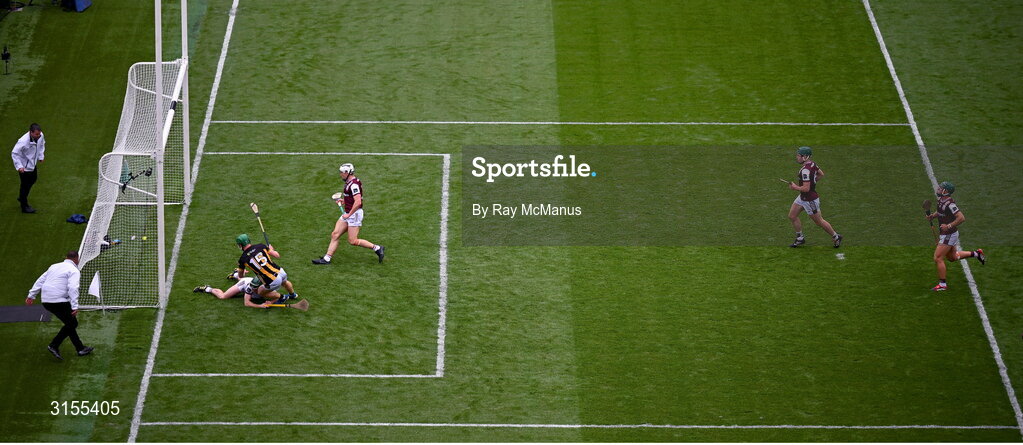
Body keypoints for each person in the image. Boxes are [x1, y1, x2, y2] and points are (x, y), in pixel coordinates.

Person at [25, 251, 93, 359]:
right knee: (72, 324)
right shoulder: (74, 270)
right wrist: (75, 306)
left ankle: (80, 348)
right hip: (58, 300)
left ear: (66, 257)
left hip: (46, 301)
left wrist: (31, 295)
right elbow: (73, 288)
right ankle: (54, 345)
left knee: (70, 324)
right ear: (76, 259)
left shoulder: (54, 266)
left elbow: (40, 280)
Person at [313, 163, 385, 264]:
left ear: (348, 173)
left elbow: (358, 202)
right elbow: (353, 199)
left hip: (354, 214)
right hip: (349, 213)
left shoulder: (354, 184)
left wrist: (349, 214)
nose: (340, 174)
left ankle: (377, 248)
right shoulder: (349, 182)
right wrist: (344, 201)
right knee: (335, 234)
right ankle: (326, 259)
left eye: (341, 172)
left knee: (353, 241)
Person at [926, 181, 986, 291]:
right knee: (952, 258)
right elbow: (940, 211)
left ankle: (942, 285)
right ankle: (977, 253)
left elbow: (961, 218)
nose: (938, 189)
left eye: (941, 188)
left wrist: (948, 226)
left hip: (949, 234)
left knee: (938, 257)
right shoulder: (941, 200)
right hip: (948, 234)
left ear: (945, 191)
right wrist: (932, 216)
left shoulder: (950, 204)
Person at [785, 146, 842, 248]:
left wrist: (795, 187)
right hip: (802, 197)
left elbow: (806, 188)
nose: (797, 157)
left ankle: (836, 236)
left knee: (819, 222)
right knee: (792, 216)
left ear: (805, 157)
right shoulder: (813, 164)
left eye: (799, 155)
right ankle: (800, 238)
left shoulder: (805, 171)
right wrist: (813, 181)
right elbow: (821, 174)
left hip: (810, 200)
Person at [235, 234, 298, 303]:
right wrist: (271, 249)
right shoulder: (261, 246)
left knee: (260, 292)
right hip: (280, 271)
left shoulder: (242, 259)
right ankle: (293, 294)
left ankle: (282, 297)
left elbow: (240, 276)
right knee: (285, 282)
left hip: (271, 279)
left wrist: (240, 269)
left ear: (240, 245)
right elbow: (277, 255)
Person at [11, 123, 45, 213]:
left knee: (33, 179)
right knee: (24, 185)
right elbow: (15, 153)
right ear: (31, 132)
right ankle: (24, 206)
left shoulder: (40, 136)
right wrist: (19, 166)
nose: (38, 136)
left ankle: (22, 197)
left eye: (39, 133)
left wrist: (41, 156)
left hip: (32, 164)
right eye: (36, 134)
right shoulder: (23, 141)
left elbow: (42, 145)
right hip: (24, 168)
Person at [193, 276, 283, 309]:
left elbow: (278, 297)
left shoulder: (267, 289)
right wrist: (260, 306)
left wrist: (270, 302)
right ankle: (208, 289)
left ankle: (236, 275)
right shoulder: (249, 287)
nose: (253, 289)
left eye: (255, 288)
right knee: (223, 296)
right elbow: (246, 303)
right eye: (253, 288)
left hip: (248, 280)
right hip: (244, 283)